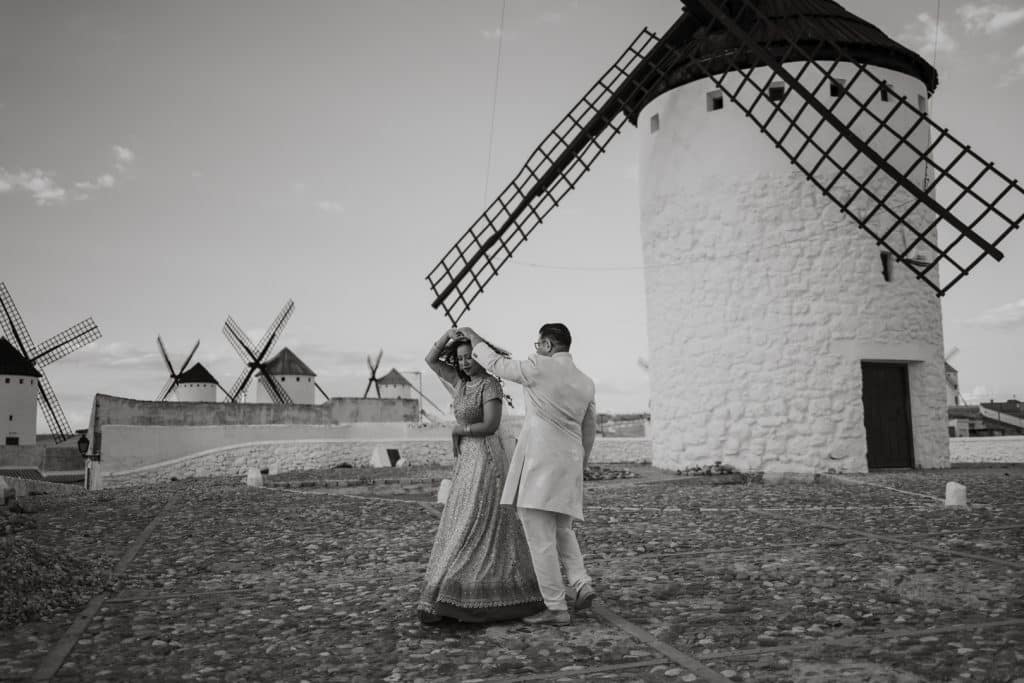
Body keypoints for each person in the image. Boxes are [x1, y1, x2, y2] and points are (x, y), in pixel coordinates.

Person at [456, 323, 597, 627]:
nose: (535, 349)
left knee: (540, 537)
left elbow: (494, 364)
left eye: (538, 344)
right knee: (563, 529)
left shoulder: (537, 367)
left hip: (539, 466)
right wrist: (580, 465)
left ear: (547, 345)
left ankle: (556, 607)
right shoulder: (587, 383)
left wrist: (472, 335)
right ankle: (582, 582)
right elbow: (589, 429)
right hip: (570, 463)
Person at [416, 328, 545, 624]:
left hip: (486, 458)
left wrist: (460, 429)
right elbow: (430, 359)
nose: (464, 363)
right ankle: (452, 588)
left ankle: (485, 593)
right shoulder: (459, 383)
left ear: (480, 357)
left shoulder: (490, 386)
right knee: (460, 518)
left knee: (477, 519)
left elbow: (490, 425)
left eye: (470, 356)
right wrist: (448, 336)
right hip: (466, 462)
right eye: (460, 358)